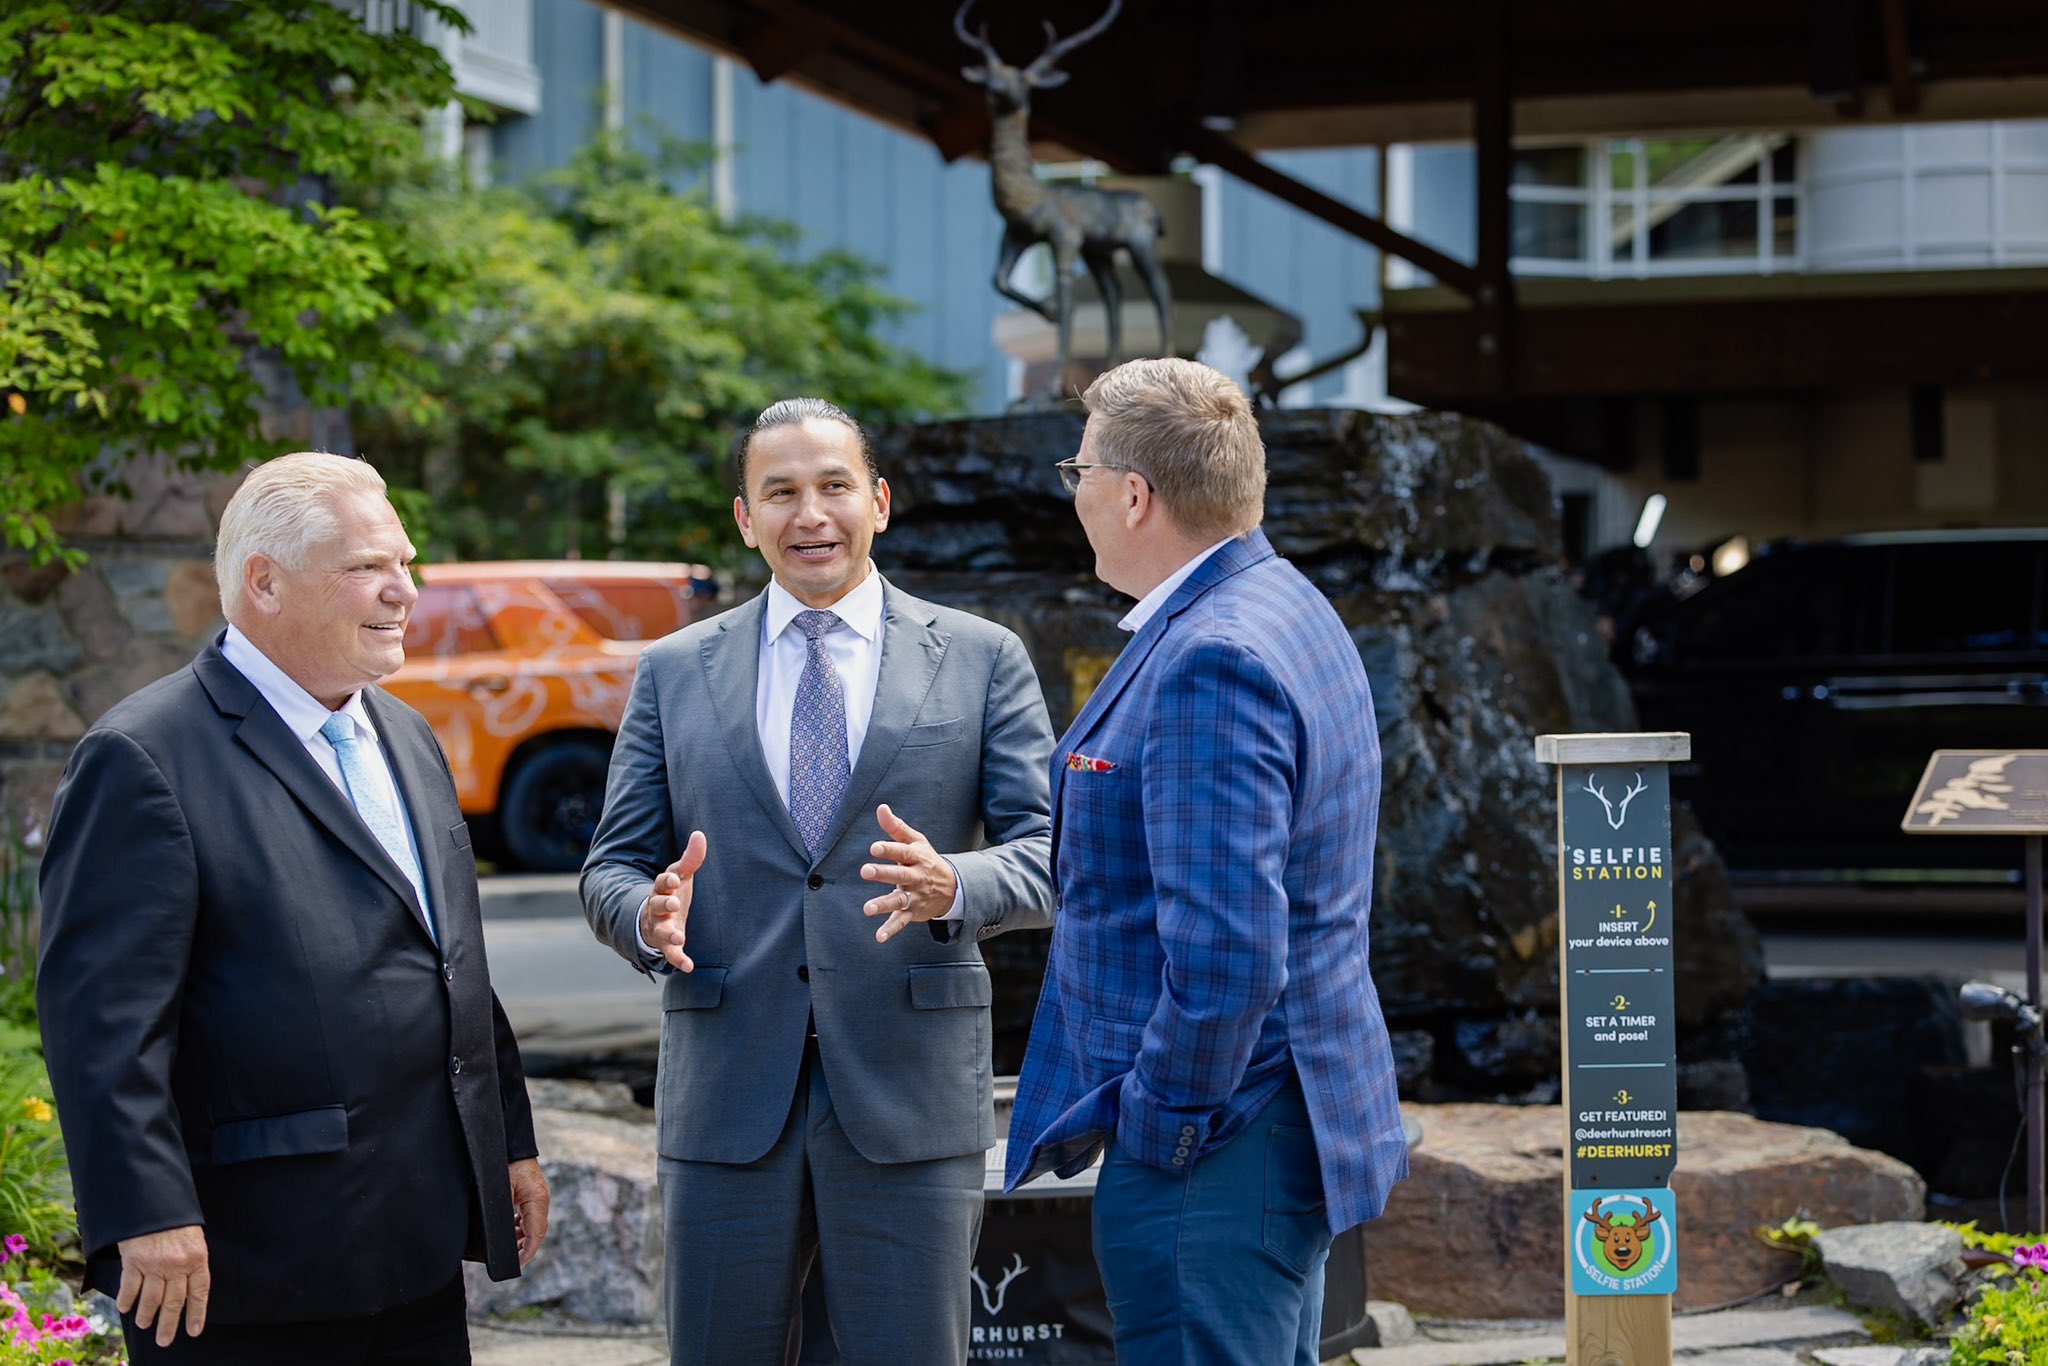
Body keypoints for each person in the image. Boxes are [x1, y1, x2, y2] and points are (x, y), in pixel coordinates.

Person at [37, 452, 549, 1365]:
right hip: (247, 1268)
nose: (404, 591)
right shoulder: (142, 757)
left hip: (418, 1250)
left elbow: (450, 959)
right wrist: (147, 1213)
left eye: (405, 563)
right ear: (264, 583)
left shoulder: (405, 734)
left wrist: (505, 1138)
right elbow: (102, 1024)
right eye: (367, 567)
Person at [580, 398, 1055, 1366]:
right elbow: (611, 866)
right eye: (780, 492)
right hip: (725, 1093)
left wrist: (954, 882)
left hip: (908, 1088)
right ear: (744, 519)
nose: (810, 515)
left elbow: (1051, 852)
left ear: (878, 501)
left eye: (834, 486)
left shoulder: (980, 657)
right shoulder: (674, 670)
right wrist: (646, 915)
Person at [1005, 358, 1409, 1365]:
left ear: (1134, 496)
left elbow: (1229, 955)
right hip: (1282, 1117)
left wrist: (1162, 1129)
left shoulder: (1209, 659)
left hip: (1220, 1149)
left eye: (1080, 470)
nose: (1075, 492)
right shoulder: (1284, 601)